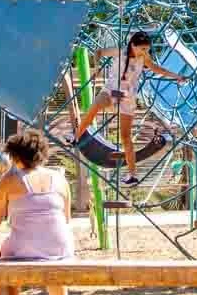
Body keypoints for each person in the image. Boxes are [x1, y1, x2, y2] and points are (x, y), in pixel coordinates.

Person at [0, 132, 74, 295]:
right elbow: (66, 219)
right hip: (61, 249)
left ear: (16, 156)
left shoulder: (9, 180)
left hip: (24, 249)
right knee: (51, 262)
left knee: (6, 250)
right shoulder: (60, 179)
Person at [73, 28, 184, 182]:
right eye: (142, 48)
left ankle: (132, 174)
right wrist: (97, 68)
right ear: (133, 45)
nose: (145, 51)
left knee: (126, 137)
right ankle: (77, 136)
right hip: (112, 91)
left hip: (127, 97)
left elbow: (157, 69)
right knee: (95, 106)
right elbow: (99, 52)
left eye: (147, 49)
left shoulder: (143, 58)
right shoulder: (120, 51)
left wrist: (176, 76)